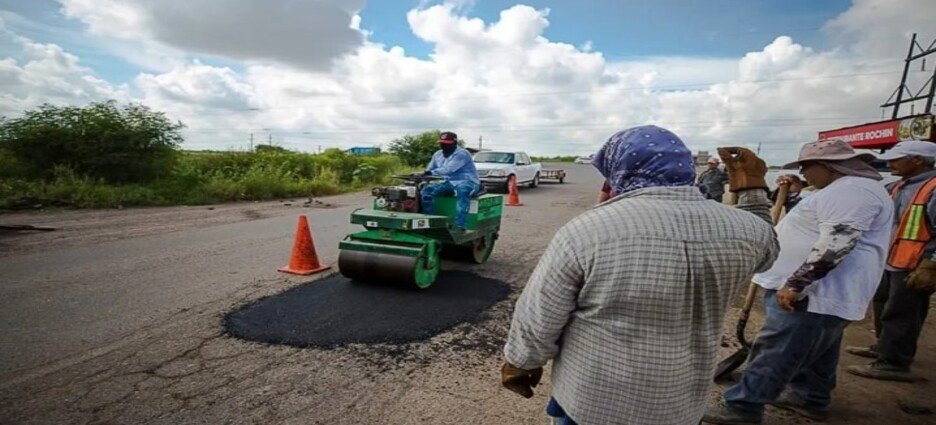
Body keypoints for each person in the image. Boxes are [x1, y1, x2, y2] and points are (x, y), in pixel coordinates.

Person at [500, 125, 779, 425]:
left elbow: (541, 312)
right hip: (681, 403)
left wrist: (522, 361)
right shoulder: (747, 230)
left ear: (619, 169)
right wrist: (752, 191)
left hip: (595, 402)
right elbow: (768, 254)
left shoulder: (587, 230)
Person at [704, 139, 894, 424]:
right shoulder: (845, 189)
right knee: (820, 348)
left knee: (778, 347)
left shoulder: (853, 191)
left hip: (816, 291)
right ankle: (809, 397)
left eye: (807, 167)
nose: (805, 174)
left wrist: (797, 283)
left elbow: (837, 242)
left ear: (828, 165)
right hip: (823, 292)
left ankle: (742, 407)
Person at [845, 140, 936, 382]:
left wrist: (932, 263)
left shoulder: (933, 188)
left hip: (914, 264)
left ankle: (894, 363)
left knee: (902, 312)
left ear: (917, 161)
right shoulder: (898, 186)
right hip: (890, 259)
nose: (890, 162)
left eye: (898, 158)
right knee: (882, 303)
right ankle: (883, 347)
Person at [421, 131, 481, 230]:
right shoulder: (438, 154)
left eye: (447, 144)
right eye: (442, 143)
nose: (444, 146)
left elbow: (449, 169)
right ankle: (431, 220)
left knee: (462, 191)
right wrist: (421, 174)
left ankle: (460, 225)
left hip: (468, 181)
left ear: (455, 143)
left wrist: (429, 173)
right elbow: (430, 169)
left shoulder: (462, 154)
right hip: (449, 182)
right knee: (426, 191)